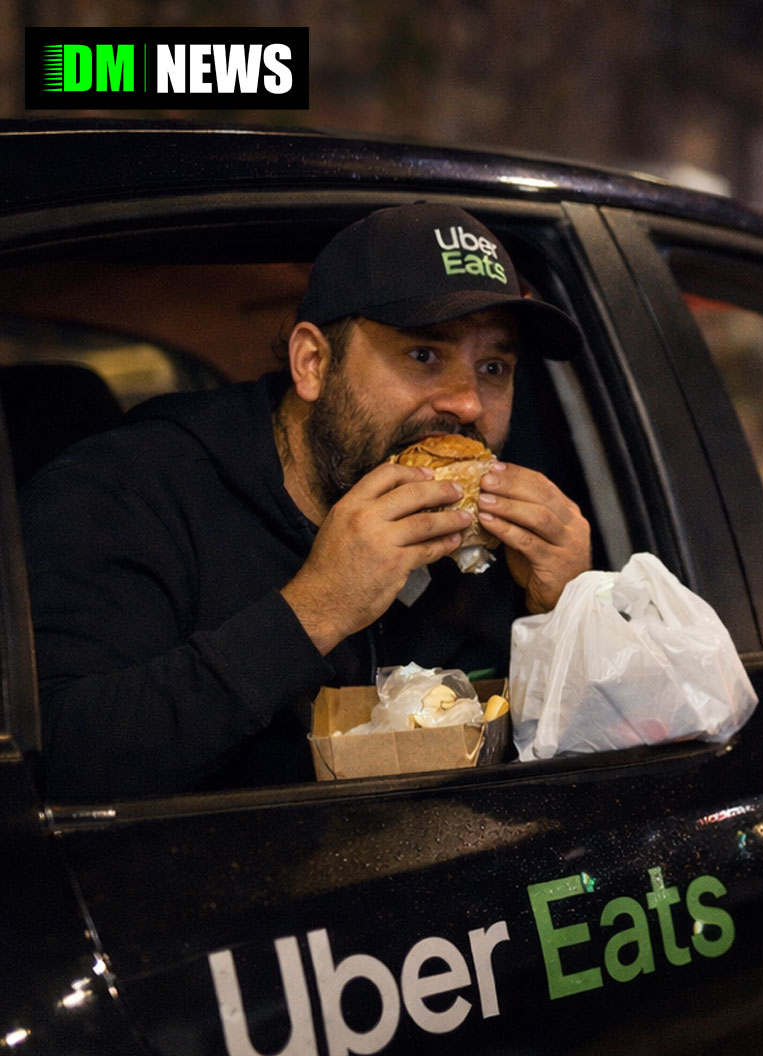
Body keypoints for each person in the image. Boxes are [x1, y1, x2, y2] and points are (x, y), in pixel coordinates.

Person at [25, 203, 594, 801]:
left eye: (494, 366)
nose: (469, 404)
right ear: (313, 363)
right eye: (424, 355)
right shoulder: (125, 491)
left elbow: (593, 781)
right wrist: (315, 611)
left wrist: (568, 617)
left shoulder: (509, 546)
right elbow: (54, 767)